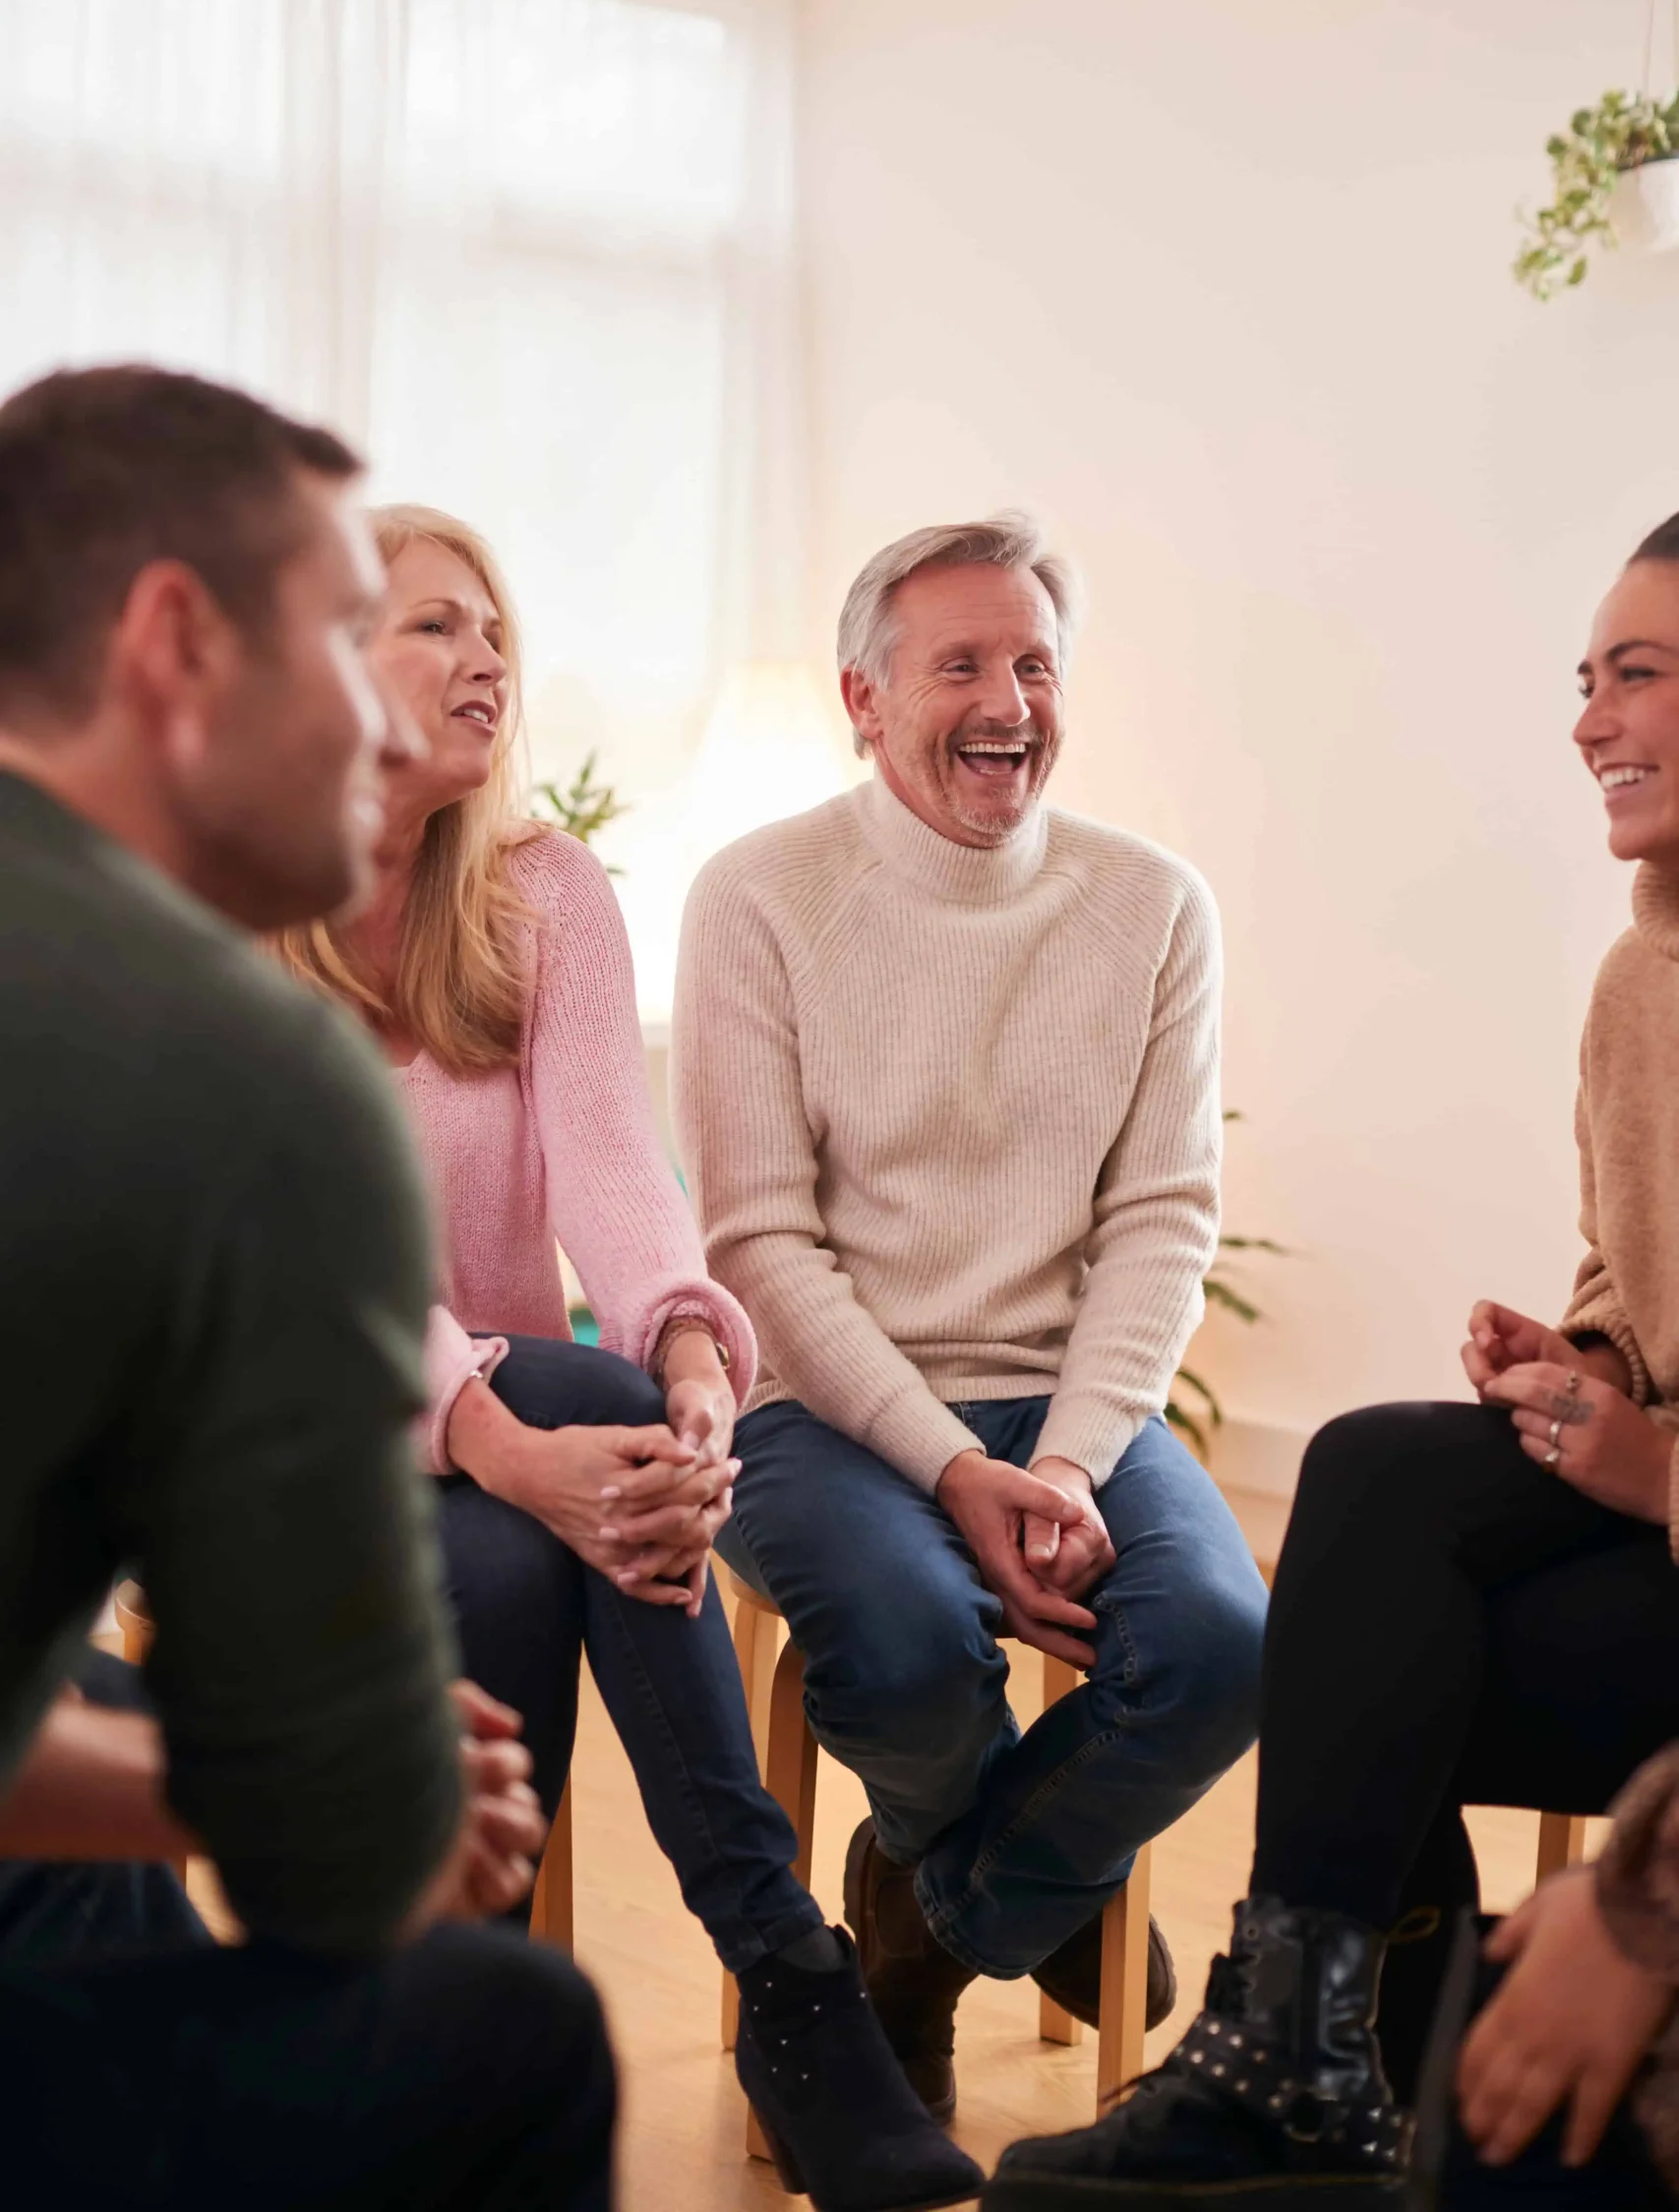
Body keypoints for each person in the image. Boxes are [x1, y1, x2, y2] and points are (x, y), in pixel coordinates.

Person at [278, 503, 983, 2212]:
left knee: (543, 1538)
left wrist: (682, 1352)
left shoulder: (542, 892)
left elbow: (612, 1166)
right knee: (561, 1453)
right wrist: (499, 1432)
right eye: (436, 626)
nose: (488, 660)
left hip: (526, 1433)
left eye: (495, 629)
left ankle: (470, 2045)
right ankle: (790, 1981)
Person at [983, 512, 1679, 2209]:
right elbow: (1633, 1282)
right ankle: (1318, 2067)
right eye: (1581, 683)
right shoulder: (1638, 978)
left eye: (1637, 676)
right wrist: (1578, 1353)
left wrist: (1655, 1469)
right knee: (1373, 1475)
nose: (1588, 720)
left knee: (1377, 1671)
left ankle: (1345, 2084)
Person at [0, 365, 614, 2208]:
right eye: (347, 641)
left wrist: (190, 1774)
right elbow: (347, 1877)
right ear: (177, 642)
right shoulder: (243, 1078)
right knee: (515, 2034)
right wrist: (387, 1798)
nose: (384, 718)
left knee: (91, 1838)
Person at [672, 511, 1271, 2122]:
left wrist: (1069, 1466)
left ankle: (925, 1927)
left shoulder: (1152, 905)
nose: (1007, 700)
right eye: (959, 665)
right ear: (863, 700)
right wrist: (951, 1471)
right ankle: (1034, 1888)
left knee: (1220, 1647)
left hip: (1069, 1401)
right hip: (818, 1405)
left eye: (1033, 663)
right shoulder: (758, 895)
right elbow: (760, 1244)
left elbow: (1161, 1216)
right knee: (908, 1645)